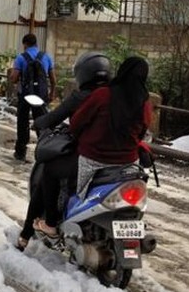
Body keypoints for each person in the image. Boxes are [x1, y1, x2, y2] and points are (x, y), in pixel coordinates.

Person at [30, 56, 152, 239]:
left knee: (50, 170)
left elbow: (78, 122)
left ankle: (51, 225)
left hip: (94, 160)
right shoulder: (145, 102)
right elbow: (142, 131)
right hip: (127, 164)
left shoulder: (103, 95)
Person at [16, 52, 112, 250]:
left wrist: (41, 122)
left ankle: (46, 225)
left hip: (90, 154)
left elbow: (56, 117)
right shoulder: (117, 95)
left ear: (83, 74)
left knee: (49, 170)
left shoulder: (83, 97)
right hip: (121, 158)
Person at [10, 33, 57, 161]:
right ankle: (42, 151)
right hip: (41, 96)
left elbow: (14, 79)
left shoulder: (21, 58)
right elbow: (53, 79)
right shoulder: (46, 57)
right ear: (36, 44)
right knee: (41, 122)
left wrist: (14, 75)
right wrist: (52, 93)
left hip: (25, 95)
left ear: (25, 44)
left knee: (22, 122)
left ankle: (20, 152)